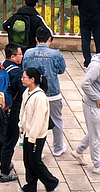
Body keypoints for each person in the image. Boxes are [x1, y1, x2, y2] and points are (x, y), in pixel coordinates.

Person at [72, 42, 100, 176]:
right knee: (96, 137)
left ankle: (78, 151)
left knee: (96, 131)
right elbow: (85, 84)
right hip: (93, 105)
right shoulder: (96, 67)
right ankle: (97, 165)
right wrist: (96, 97)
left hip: (99, 104)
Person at [22, 27, 67, 156]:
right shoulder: (56, 54)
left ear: (36, 39)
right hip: (52, 92)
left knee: (33, 120)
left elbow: (25, 69)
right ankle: (58, 148)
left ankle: (37, 149)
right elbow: (61, 70)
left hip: (34, 92)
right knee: (57, 120)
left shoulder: (28, 53)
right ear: (49, 39)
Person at [17, 66, 58, 192]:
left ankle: (51, 182)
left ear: (32, 79)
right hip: (28, 134)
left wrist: (32, 137)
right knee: (28, 161)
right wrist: (21, 127)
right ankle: (31, 187)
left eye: (24, 77)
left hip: (36, 136)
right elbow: (23, 112)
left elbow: (38, 120)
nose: (22, 79)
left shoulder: (39, 97)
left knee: (35, 162)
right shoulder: (26, 92)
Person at [0, 43, 24, 183]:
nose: (22, 56)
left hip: (2, 109)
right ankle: (5, 172)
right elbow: (24, 92)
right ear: (13, 56)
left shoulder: (1, 66)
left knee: (3, 139)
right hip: (13, 110)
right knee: (10, 141)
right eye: (20, 54)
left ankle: (5, 163)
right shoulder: (17, 72)